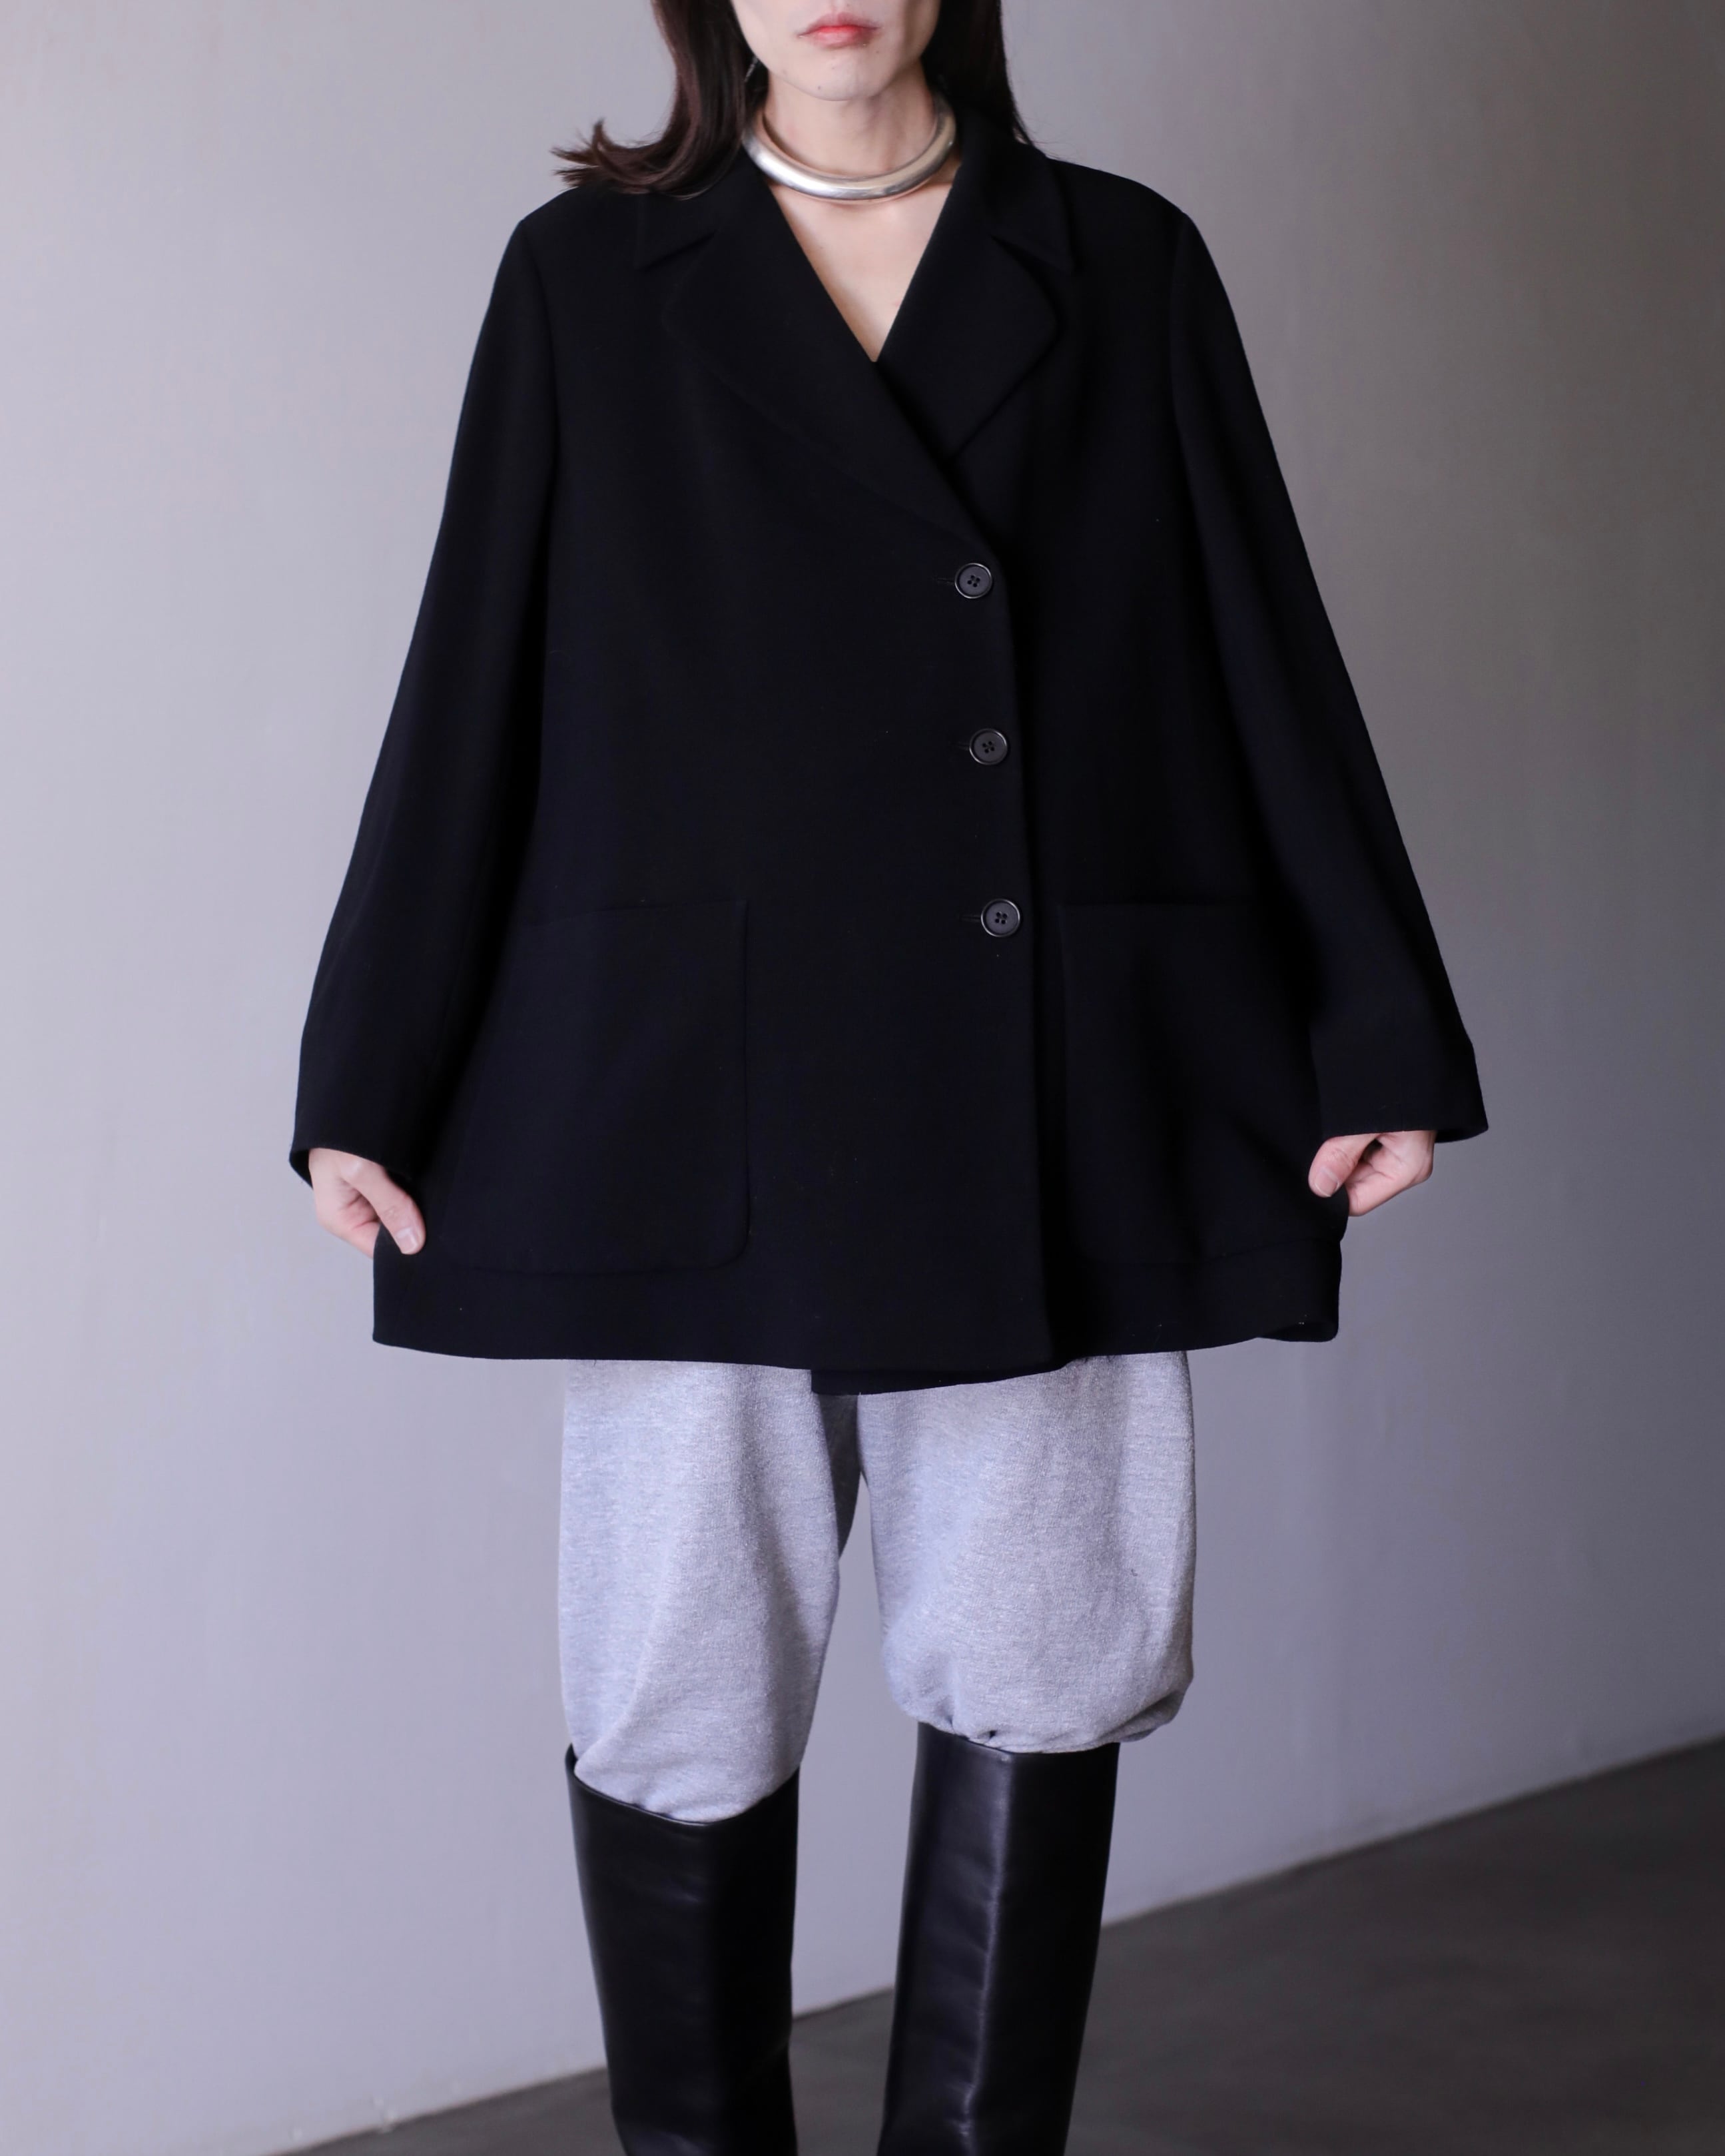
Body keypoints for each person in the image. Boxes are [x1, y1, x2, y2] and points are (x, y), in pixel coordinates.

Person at [292, 2, 1485, 2149]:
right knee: (676, 1682)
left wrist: (1376, 1019)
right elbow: (474, 662)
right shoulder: (588, 280)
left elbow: (1258, 643)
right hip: (689, 1078)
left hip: (1041, 1068)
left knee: (1044, 1654)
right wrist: (371, 1062)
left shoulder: (1123, 261)